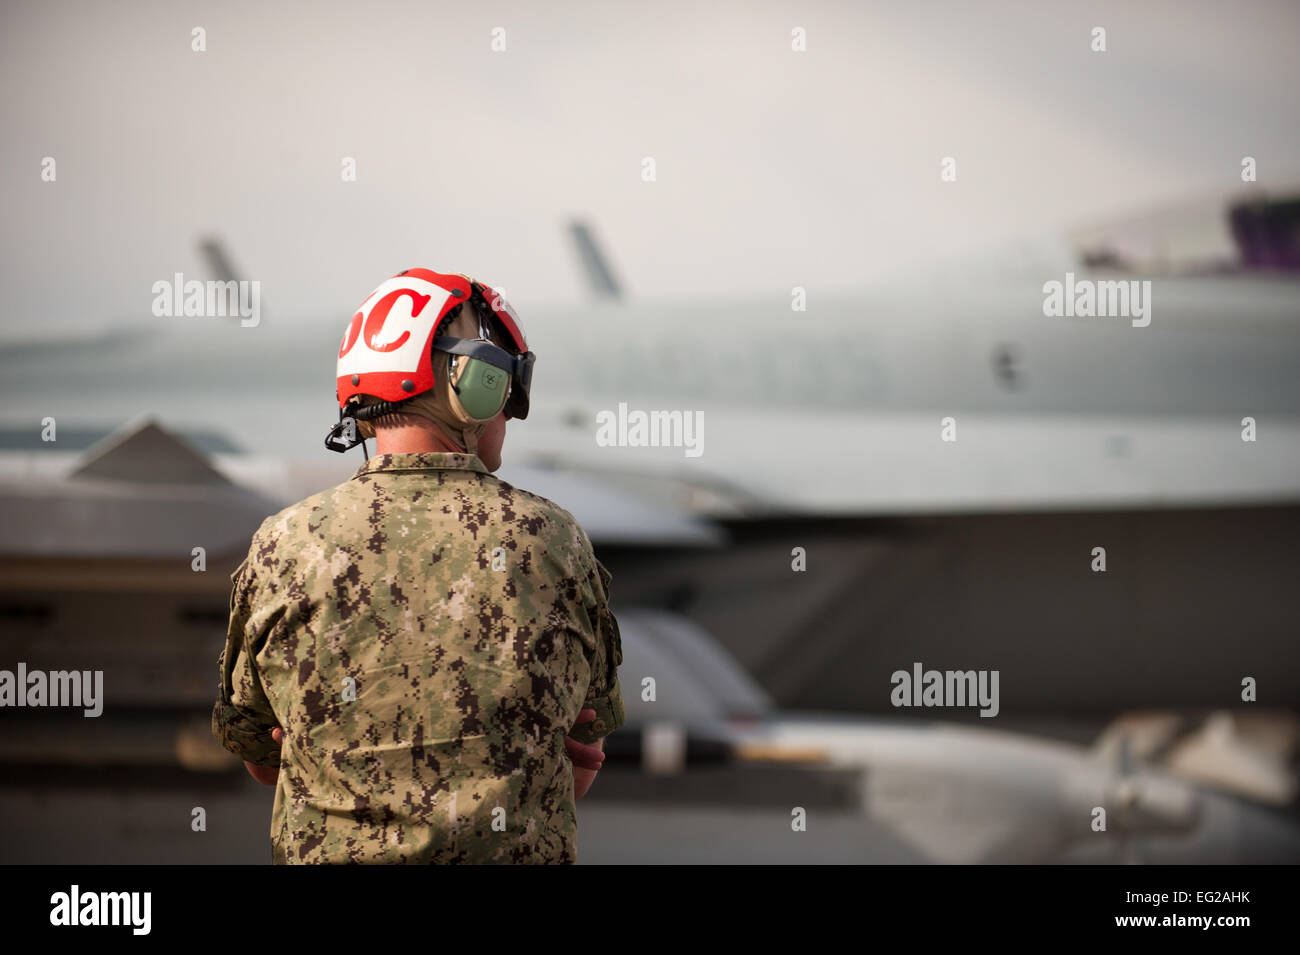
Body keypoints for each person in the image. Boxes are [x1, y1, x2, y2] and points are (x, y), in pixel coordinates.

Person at [211, 268, 625, 863]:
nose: (511, 410)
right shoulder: (553, 540)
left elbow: (256, 751)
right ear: (473, 384)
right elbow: (587, 737)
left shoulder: (284, 542)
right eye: (507, 387)